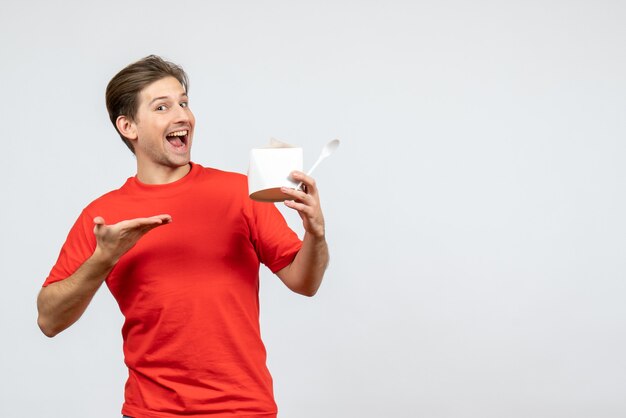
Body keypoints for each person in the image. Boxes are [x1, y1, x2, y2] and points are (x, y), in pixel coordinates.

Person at [37, 55, 329, 418]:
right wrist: (103, 259)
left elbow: (305, 281)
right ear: (128, 126)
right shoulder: (103, 216)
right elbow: (49, 320)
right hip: (149, 412)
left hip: (242, 409)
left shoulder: (241, 193)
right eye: (163, 106)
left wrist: (315, 234)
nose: (183, 116)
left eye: (184, 103)